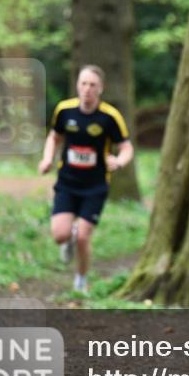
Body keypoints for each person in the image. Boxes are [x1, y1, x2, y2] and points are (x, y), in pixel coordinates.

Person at [38, 65, 134, 294]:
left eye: (92, 85)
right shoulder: (64, 111)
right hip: (67, 183)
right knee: (59, 235)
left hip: (95, 186)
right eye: (83, 84)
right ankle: (67, 239)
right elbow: (54, 137)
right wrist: (47, 158)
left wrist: (119, 161)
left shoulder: (110, 117)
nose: (87, 89)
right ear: (77, 86)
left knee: (83, 237)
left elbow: (127, 147)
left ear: (100, 89)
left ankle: (80, 280)